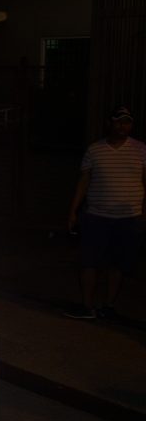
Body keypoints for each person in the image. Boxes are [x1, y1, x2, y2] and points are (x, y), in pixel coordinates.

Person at [65, 105, 146, 319]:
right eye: (118, 121)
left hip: (129, 218)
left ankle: (108, 306)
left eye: (127, 122)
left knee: (118, 264)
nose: (122, 126)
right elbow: (84, 181)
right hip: (96, 216)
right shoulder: (94, 150)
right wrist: (73, 211)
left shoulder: (141, 150)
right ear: (110, 123)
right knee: (88, 262)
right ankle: (87, 306)